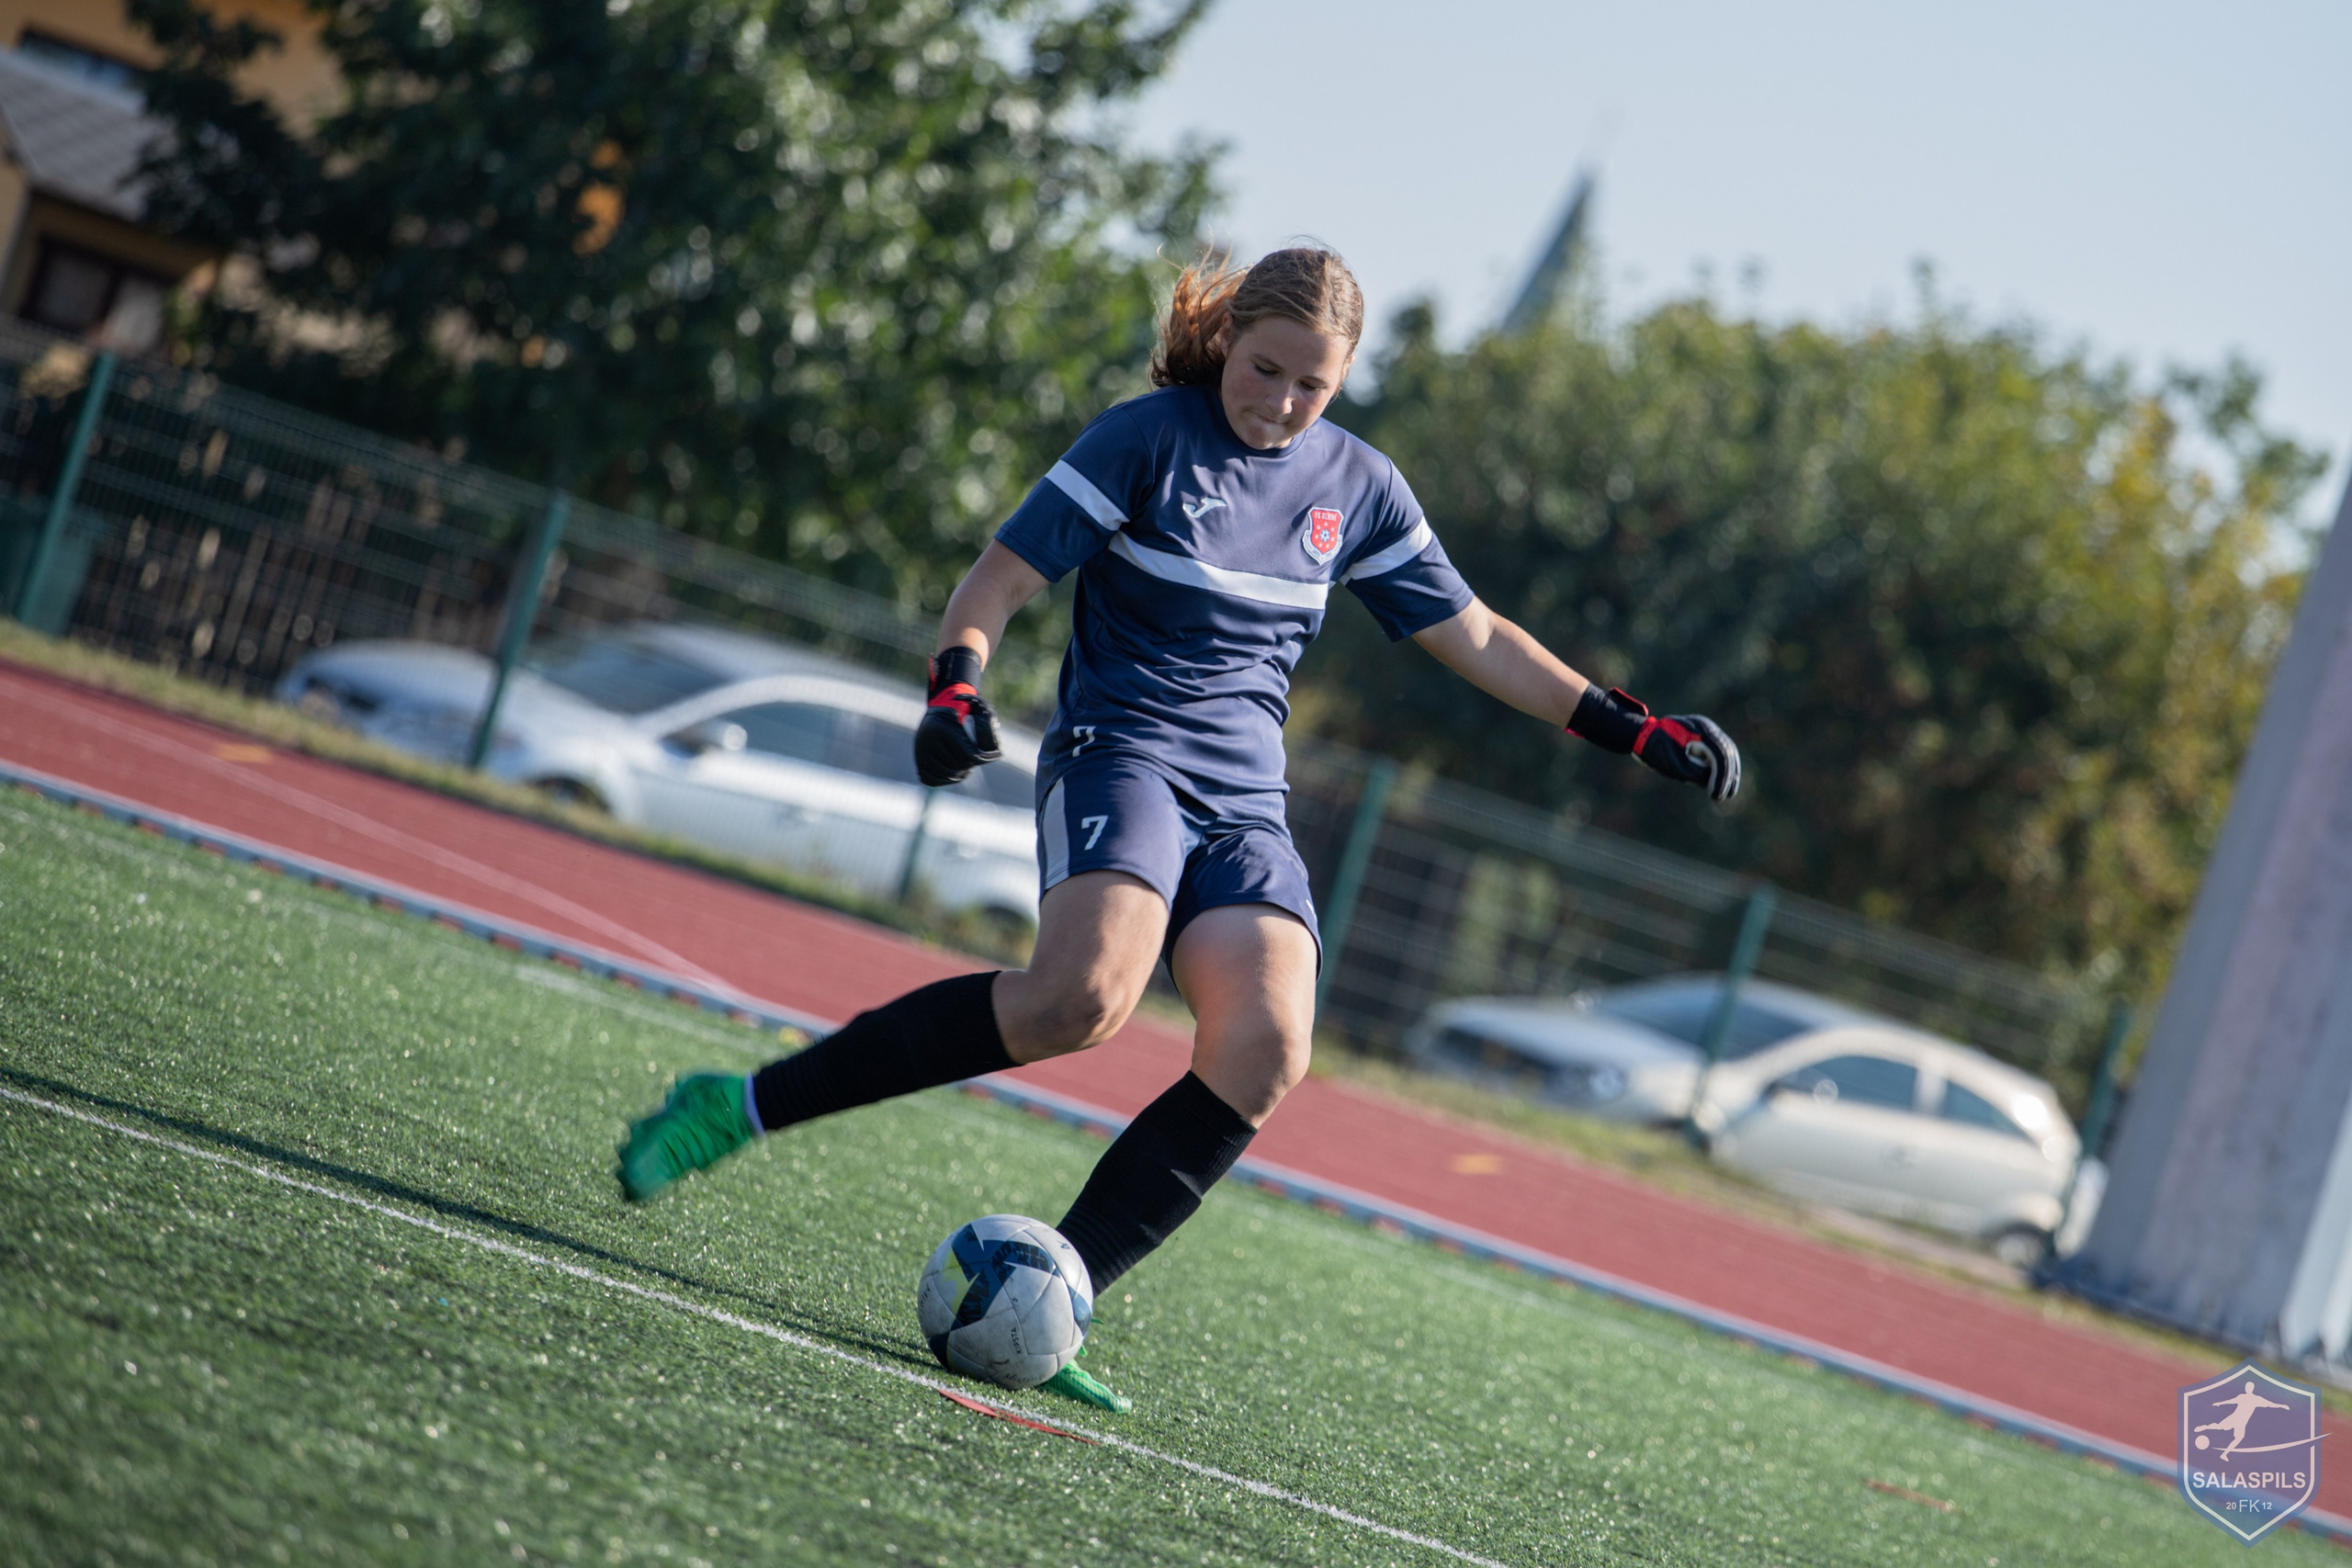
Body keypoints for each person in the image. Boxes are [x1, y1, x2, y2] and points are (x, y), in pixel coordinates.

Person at [613, 246, 1739, 1410]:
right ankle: (733, 1107)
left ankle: (1051, 1298)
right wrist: (956, 687)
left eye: (1314, 386)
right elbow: (996, 579)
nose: (1284, 402)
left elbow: (1480, 635)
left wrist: (1628, 727)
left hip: (1246, 799)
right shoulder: (1146, 437)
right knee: (1079, 1001)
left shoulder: (1355, 484)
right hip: (1125, 754)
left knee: (1264, 1047)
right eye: (1264, 370)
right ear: (1228, 345)